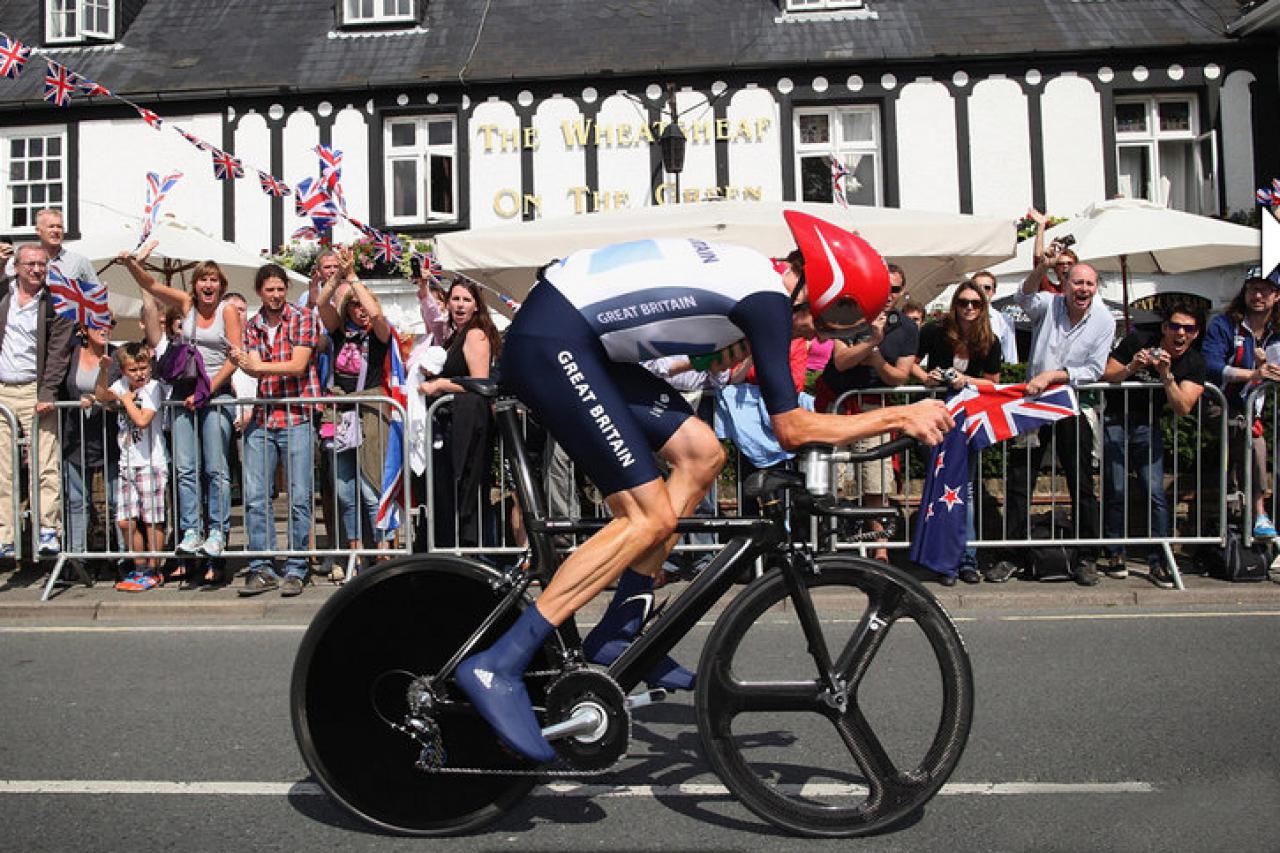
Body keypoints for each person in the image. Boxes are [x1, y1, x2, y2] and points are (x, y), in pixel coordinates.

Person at [452, 214, 954, 764]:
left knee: (703, 454)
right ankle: (499, 662)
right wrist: (899, 417)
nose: (812, 337)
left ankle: (622, 628)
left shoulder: (756, 286)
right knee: (646, 517)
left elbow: (681, 354)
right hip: (555, 343)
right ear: (828, 296)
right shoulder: (765, 300)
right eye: (826, 327)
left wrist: (719, 355)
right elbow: (792, 427)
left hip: (581, 343)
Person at [985, 247, 1113, 586]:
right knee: (1019, 480)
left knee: (1082, 484)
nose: (1083, 289)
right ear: (1065, 284)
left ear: (1095, 288)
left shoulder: (1104, 319)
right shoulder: (1048, 303)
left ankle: (1087, 557)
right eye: (1077, 283)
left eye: (1089, 283)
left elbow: (1095, 369)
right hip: (1033, 404)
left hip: (1069, 403)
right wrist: (1041, 265)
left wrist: (1054, 376)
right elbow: (1022, 296)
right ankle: (1010, 555)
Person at [117, 244, 242, 574]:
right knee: (186, 468)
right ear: (196, 284)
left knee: (215, 468)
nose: (208, 285)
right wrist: (132, 263)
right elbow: (152, 286)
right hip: (185, 394)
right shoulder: (186, 306)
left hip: (216, 394)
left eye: (213, 279)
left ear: (221, 285)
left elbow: (235, 357)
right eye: (203, 279)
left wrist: (207, 391)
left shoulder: (227, 310)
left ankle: (217, 531)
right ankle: (190, 529)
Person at [813, 262, 919, 561]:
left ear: (902, 292)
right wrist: (872, 342)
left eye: (894, 289)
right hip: (838, 405)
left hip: (874, 406)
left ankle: (880, 549)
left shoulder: (906, 326)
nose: (888, 295)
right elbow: (842, 361)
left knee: (877, 482)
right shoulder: (848, 314)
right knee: (832, 479)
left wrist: (875, 361)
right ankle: (828, 543)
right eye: (884, 287)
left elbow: (900, 376)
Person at [229, 264, 320, 597]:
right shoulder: (252, 326)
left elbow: (298, 365)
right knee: (255, 499)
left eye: (281, 288)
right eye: (270, 290)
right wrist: (254, 367)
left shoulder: (303, 318)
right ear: (260, 292)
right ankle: (262, 567)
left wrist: (259, 367)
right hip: (264, 417)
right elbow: (251, 368)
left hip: (296, 415)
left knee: (298, 498)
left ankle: (296, 567)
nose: (276, 295)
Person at [1101, 301, 1206, 588]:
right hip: (1116, 418)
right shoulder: (1139, 340)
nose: (1180, 333)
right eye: (1174, 327)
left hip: (1148, 425)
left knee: (1155, 492)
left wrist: (1166, 376)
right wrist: (1133, 366)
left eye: (1188, 329)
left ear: (1195, 333)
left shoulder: (1194, 362)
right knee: (1116, 488)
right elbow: (1107, 374)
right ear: (1164, 328)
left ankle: (1159, 560)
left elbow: (1184, 406)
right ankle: (1115, 554)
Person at [910, 281, 1002, 585]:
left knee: (966, 490)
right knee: (938, 487)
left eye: (976, 303)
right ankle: (939, 559)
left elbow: (993, 383)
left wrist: (967, 381)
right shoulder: (934, 332)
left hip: (968, 421)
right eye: (964, 302)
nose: (969, 309)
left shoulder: (990, 339)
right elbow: (908, 363)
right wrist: (927, 378)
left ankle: (966, 559)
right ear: (955, 305)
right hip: (935, 418)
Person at [316, 247, 395, 564]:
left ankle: (383, 548)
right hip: (340, 409)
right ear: (348, 309)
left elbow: (377, 316)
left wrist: (354, 277)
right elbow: (322, 303)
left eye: (364, 305)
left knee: (370, 486)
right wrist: (338, 277)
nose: (361, 311)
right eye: (356, 306)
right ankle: (355, 549)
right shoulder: (338, 333)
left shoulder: (378, 335)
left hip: (370, 410)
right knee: (345, 490)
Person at [0, 244, 75, 558]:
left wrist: (47, 393)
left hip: (36, 389)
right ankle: (5, 535)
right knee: (3, 467)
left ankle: (48, 530)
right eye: (30, 264)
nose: (36, 270)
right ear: (16, 267)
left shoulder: (57, 301)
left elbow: (59, 353)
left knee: (45, 463)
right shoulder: (3, 295)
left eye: (42, 265)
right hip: (4, 388)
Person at [418, 278, 502, 548]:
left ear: (476, 305)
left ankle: (475, 550)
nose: (460, 305)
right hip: (454, 420)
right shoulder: (455, 334)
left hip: (470, 420)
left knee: (467, 488)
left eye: (466, 300)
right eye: (455, 299)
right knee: (451, 488)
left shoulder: (476, 334)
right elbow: (431, 320)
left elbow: (480, 382)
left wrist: (442, 384)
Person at [1201, 272, 1280, 538]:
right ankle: (1259, 513)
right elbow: (1210, 365)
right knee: (1253, 442)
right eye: (1253, 289)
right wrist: (1252, 374)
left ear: (1277, 296)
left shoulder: (1276, 331)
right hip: (1220, 402)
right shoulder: (1224, 324)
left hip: (1254, 407)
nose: (1258, 296)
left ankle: (1243, 510)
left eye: (1265, 290)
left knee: (1248, 444)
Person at [95, 342, 168, 591]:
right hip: (127, 461)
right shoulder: (122, 385)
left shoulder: (154, 388)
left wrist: (126, 400)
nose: (139, 374)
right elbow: (102, 395)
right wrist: (104, 371)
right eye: (133, 369)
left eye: (143, 367)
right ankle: (139, 567)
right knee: (125, 520)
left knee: (152, 520)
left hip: (151, 462)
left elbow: (142, 420)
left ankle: (155, 568)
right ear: (124, 370)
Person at [61, 311, 121, 563]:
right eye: (97, 323)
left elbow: (120, 390)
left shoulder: (117, 355)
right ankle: (77, 558)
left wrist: (100, 399)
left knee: (116, 500)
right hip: (75, 437)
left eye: (109, 323)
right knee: (76, 500)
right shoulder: (70, 354)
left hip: (110, 436)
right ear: (84, 329)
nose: (104, 327)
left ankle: (122, 558)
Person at [2, 209, 100, 288]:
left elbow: (96, 294)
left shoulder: (79, 262)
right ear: (38, 231)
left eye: (59, 227)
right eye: (51, 226)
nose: (56, 231)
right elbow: (4, 286)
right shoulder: (18, 260)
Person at [970, 270, 1019, 363]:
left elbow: (1010, 355)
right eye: (977, 287)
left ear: (993, 291)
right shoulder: (961, 316)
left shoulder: (1004, 319)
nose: (982, 291)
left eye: (987, 288)